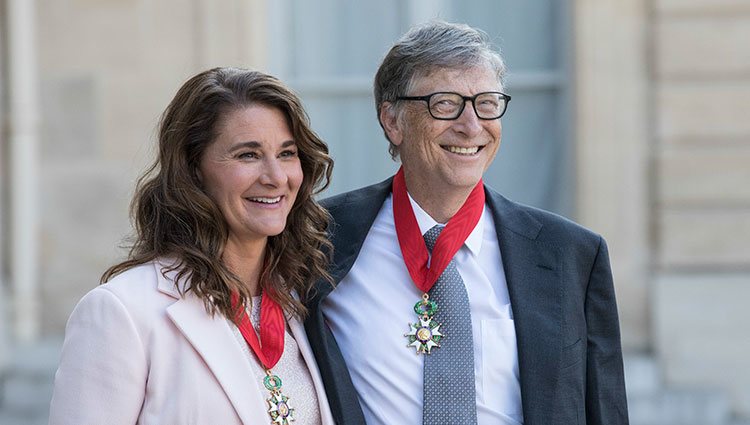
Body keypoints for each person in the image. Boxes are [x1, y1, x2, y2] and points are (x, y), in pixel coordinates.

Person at [305, 21, 629, 425]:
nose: (471, 126)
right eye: (444, 103)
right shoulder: (318, 237)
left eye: (487, 103)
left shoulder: (571, 255)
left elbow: (605, 409)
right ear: (393, 120)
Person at [49, 67, 336, 425]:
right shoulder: (122, 313)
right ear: (193, 168)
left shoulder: (307, 301)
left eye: (287, 153)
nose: (276, 177)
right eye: (248, 155)